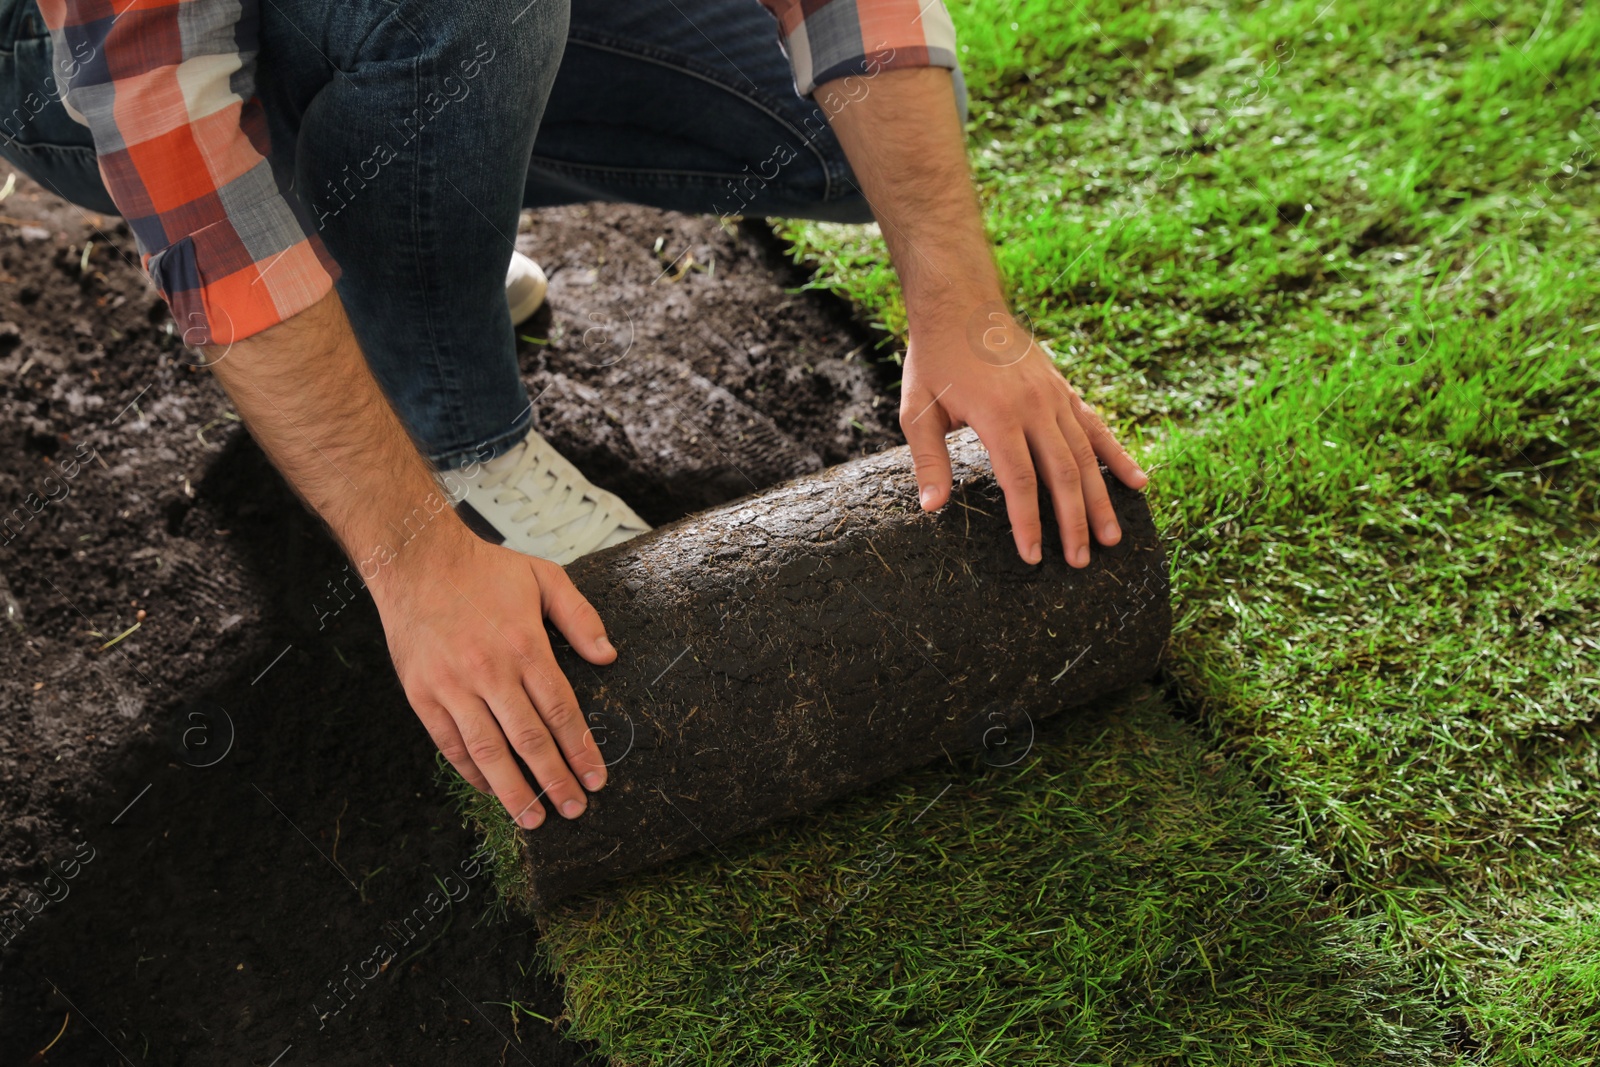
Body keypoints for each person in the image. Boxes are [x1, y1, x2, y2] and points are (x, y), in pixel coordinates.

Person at [2, 0, 1147, 832]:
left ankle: (406, 219)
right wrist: (412, 560)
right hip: (71, 57)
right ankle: (454, 427)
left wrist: (965, 308)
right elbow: (184, 160)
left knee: (828, 132)